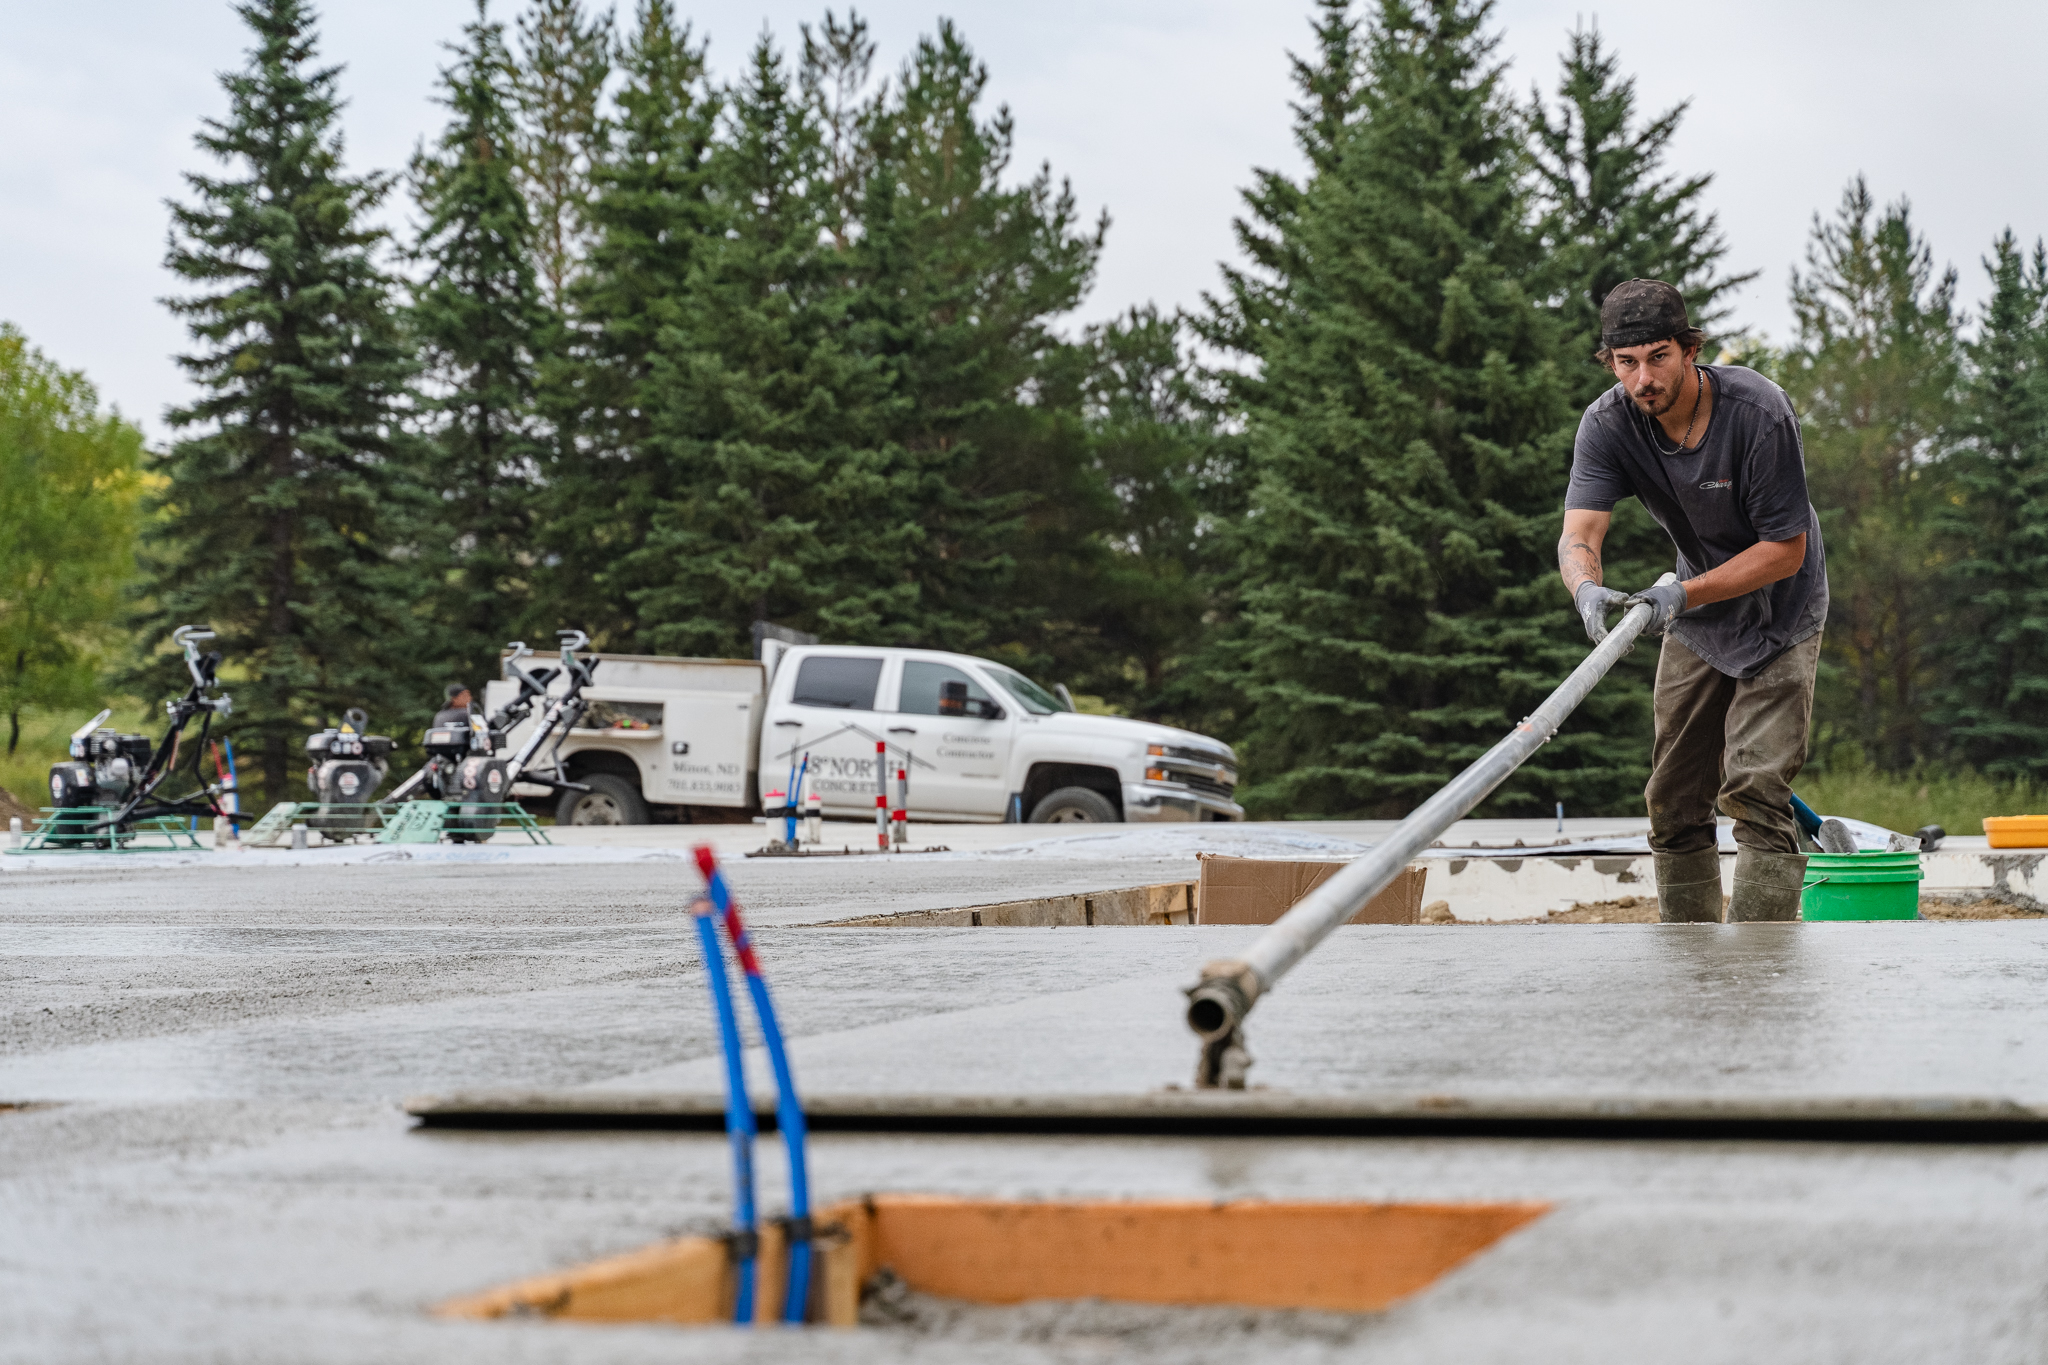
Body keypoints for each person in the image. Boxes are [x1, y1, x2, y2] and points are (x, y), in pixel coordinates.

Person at [1557, 279, 1829, 923]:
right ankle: (1690, 957)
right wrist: (1586, 586)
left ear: (1689, 349)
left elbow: (1783, 551)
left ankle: (1761, 961)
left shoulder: (1758, 413)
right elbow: (1580, 531)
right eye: (1627, 363)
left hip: (1782, 612)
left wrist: (1679, 593)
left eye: (1658, 357)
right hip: (1697, 613)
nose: (1643, 378)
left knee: (1757, 788)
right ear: (1611, 362)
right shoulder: (1608, 423)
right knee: (1673, 798)